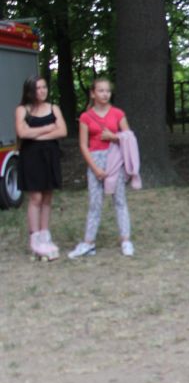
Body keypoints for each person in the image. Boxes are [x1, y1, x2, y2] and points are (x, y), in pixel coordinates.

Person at [68, 78, 136, 258]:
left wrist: (114, 137)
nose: (105, 94)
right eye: (101, 91)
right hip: (95, 160)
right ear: (93, 93)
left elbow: (129, 136)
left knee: (119, 200)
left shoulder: (118, 113)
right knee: (95, 203)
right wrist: (95, 168)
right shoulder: (86, 117)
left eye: (108, 91)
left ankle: (126, 240)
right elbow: (83, 145)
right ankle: (88, 242)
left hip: (115, 159)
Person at [14, 75, 68, 260]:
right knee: (35, 197)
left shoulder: (54, 108)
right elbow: (22, 133)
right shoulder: (23, 110)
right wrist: (48, 128)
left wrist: (36, 135)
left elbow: (62, 131)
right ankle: (35, 239)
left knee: (47, 196)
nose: (42, 91)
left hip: (50, 156)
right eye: (38, 88)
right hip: (31, 157)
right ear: (30, 91)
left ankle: (45, 236)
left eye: (44, 87)